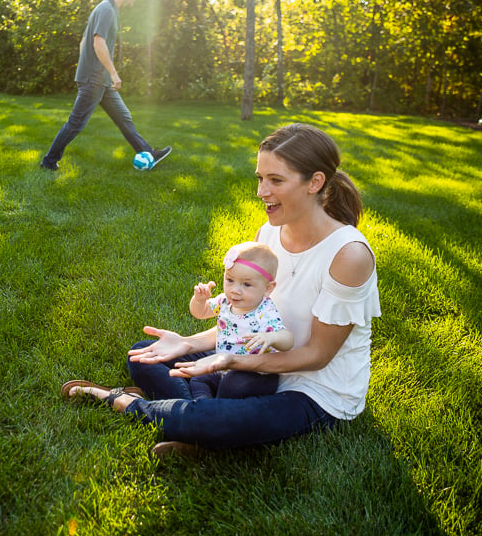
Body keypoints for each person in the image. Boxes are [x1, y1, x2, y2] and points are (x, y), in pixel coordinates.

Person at [62, 123, 380, 456]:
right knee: (146, 353)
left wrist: (231, 361)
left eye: (276, 180)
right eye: (260, 178)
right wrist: (188, 342)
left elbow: (318, 356)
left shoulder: (349, 255)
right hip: (254, 361)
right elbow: (246, 318)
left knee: (205, 415)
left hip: (315, 391)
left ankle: (124, 400)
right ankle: (202, 422)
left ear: (315, 182)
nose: (261, 192)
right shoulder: (268, 235)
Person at [39, 0, 171, 171]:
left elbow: (83, 42)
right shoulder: (107, 10)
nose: (133, 2)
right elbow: (97, 42)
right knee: (76, 123)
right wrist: (113, 73)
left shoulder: (103, 9)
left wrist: (90, 68)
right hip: (95, 79)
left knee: (123, 116)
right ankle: (49, 161)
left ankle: (147, 152)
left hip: (99, 79)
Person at [185, 241, 293, 399]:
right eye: (230, 280)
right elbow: (200, 313)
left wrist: (271, 337)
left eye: (247, 284)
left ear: (268, 288)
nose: (235, 290)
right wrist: (199, 300)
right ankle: (204, 404)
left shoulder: (264, 312)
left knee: (233, 384)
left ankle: (213, 407)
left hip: (256, 375)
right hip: (224, 365)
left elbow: (288, 340)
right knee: (199, 379)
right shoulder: (225, 301)